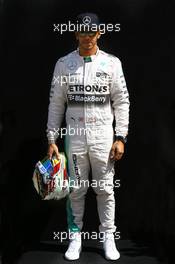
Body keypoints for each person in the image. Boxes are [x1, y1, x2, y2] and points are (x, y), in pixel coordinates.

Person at [47, 12, 129, 261]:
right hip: (74, 137)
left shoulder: (112, 63)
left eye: (91, 33)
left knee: (105, 189)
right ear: (76, 34)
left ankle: (107, 237)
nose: (87, 38)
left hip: (103, 137)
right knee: (76, 190)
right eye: (82, 33)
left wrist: (121, 137)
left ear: (99, 33)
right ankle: (74, 237)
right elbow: (56, 102)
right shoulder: (64, 64)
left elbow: (122, 101)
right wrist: (51, 138)